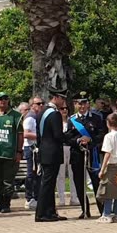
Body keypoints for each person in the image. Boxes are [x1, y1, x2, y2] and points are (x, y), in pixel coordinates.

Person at [66, 93, 103, 218]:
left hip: (92, 155)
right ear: (76, 104)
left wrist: (90, 140)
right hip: (77, 155)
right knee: (79, 183)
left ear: (88, 104)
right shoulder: (72, 120)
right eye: (79, 103)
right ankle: (85, 209)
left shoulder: (96, 118)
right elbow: (68, 138)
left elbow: (101, 135)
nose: (82, 106)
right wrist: (78, 140)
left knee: (96, 182)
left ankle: (103, 210)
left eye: (84, 103)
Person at [36, 91, 68, 222]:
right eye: (62, 98)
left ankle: (50, 212)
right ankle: (42, 213)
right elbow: (58, 135)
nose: (64, 102)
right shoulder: (54, 114)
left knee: (48, 183)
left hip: (44, 152)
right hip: (52, 153)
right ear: (56, 98)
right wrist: (73, 139)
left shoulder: (42, 112)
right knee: (47, 184)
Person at [98, 113, 117, 223]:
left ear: (108, 123)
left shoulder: (108, 136)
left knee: (108, 191)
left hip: (112, 166)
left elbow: (107, 153)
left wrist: (102, 169)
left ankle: (106, 214)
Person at [22, 97, 42, 210]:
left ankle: (36, 196)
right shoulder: (30, 118)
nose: (40, 105)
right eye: (38, 103)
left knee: (37, 173)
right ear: (32, 105)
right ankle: (29, 198)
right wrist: (41, 137)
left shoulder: (36, 117)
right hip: (30, 148)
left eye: (41, 103)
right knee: (31, 173)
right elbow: (26, 134)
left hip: (36, 148)